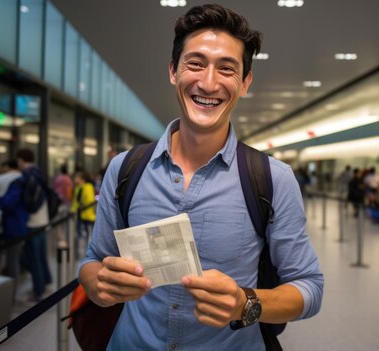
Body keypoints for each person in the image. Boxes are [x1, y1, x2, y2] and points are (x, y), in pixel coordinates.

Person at [78, 4, 324, 350]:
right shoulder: (125, 168)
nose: (208, 83)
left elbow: (309, 287)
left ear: (245, 83)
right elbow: (93, 260)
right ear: (173, 72)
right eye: (195, 64)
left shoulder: (272, 179)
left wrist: (246, 303)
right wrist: (99, 286)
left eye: (227, 69)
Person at [17, 149, 52, 302]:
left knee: (33, 257)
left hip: (32, 221)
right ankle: (47, 282)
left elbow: (27, 200)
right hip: (43, 219)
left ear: (21, 160)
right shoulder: (39, 172)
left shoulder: (27, 174)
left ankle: (38, 291)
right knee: (41, 255)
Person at [0, 159, 29, 282]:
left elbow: (8, 204)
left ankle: (10, 293)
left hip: (11, 226)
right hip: (19, 224)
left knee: (10, 261)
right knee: (13, 258)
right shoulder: (24, 179)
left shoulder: (12, 182)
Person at [71, 170, 96, 240]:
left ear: (82, 179)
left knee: (89, 234)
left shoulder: (88, 187)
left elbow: (90, 200)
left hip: (88, 215)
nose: (75, 179)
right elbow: (75, 201)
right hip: (80, 214)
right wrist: (72, 210)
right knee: (80, 234)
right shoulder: (77, 188)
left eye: (77, 177)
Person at [53, 164, 73, 247]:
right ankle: (66, 239)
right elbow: (70, 191)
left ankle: (60, 239)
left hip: (59, 202)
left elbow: (54, 190)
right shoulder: (68, 179)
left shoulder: (58, 178)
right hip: (67, 202)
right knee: (66, 222)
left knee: (59, 222)